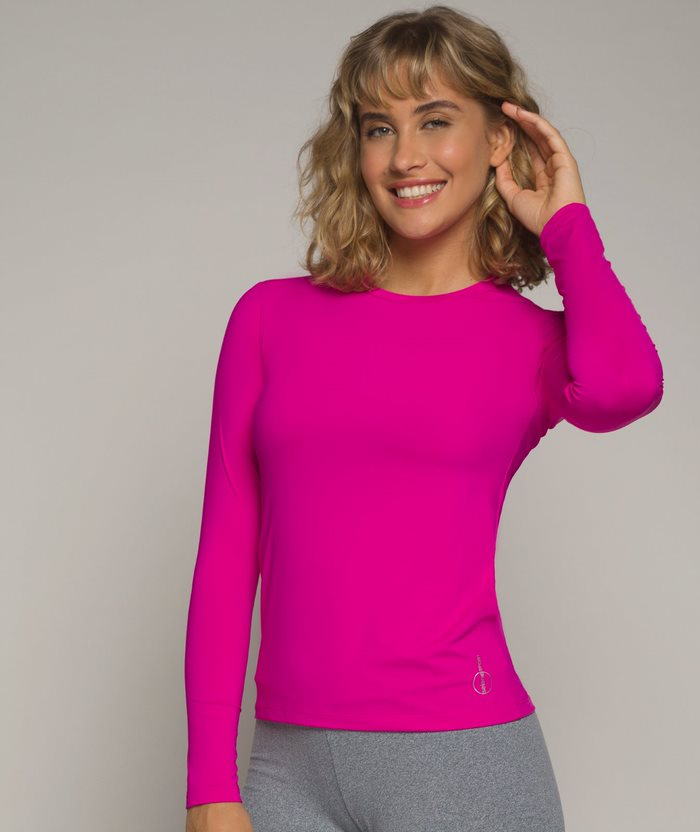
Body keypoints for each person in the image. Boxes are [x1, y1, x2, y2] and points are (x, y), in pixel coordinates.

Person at [183, 5, 664, 831]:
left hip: (463, 759)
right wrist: (208, 786)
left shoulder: (529, 343)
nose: (406, 156)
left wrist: (567, 229)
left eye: (435, 121)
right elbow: (226, 555)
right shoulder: (269, 319)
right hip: (285, 766)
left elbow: (626, 388)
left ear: (499, 139)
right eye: (380, 128)